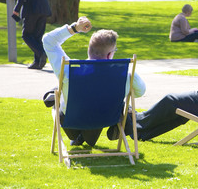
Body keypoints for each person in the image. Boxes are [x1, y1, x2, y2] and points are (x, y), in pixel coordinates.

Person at [42, 17, 146, 146]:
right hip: (106, 118)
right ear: (109, 55)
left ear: (89, 49)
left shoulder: (70, 70)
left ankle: (55, 95)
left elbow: (48, 41)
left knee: (58, 96)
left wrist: (75, 28)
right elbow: (140, 92)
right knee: (109, 103)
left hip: (71, 120)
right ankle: (121, 114)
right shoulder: (125, 74)